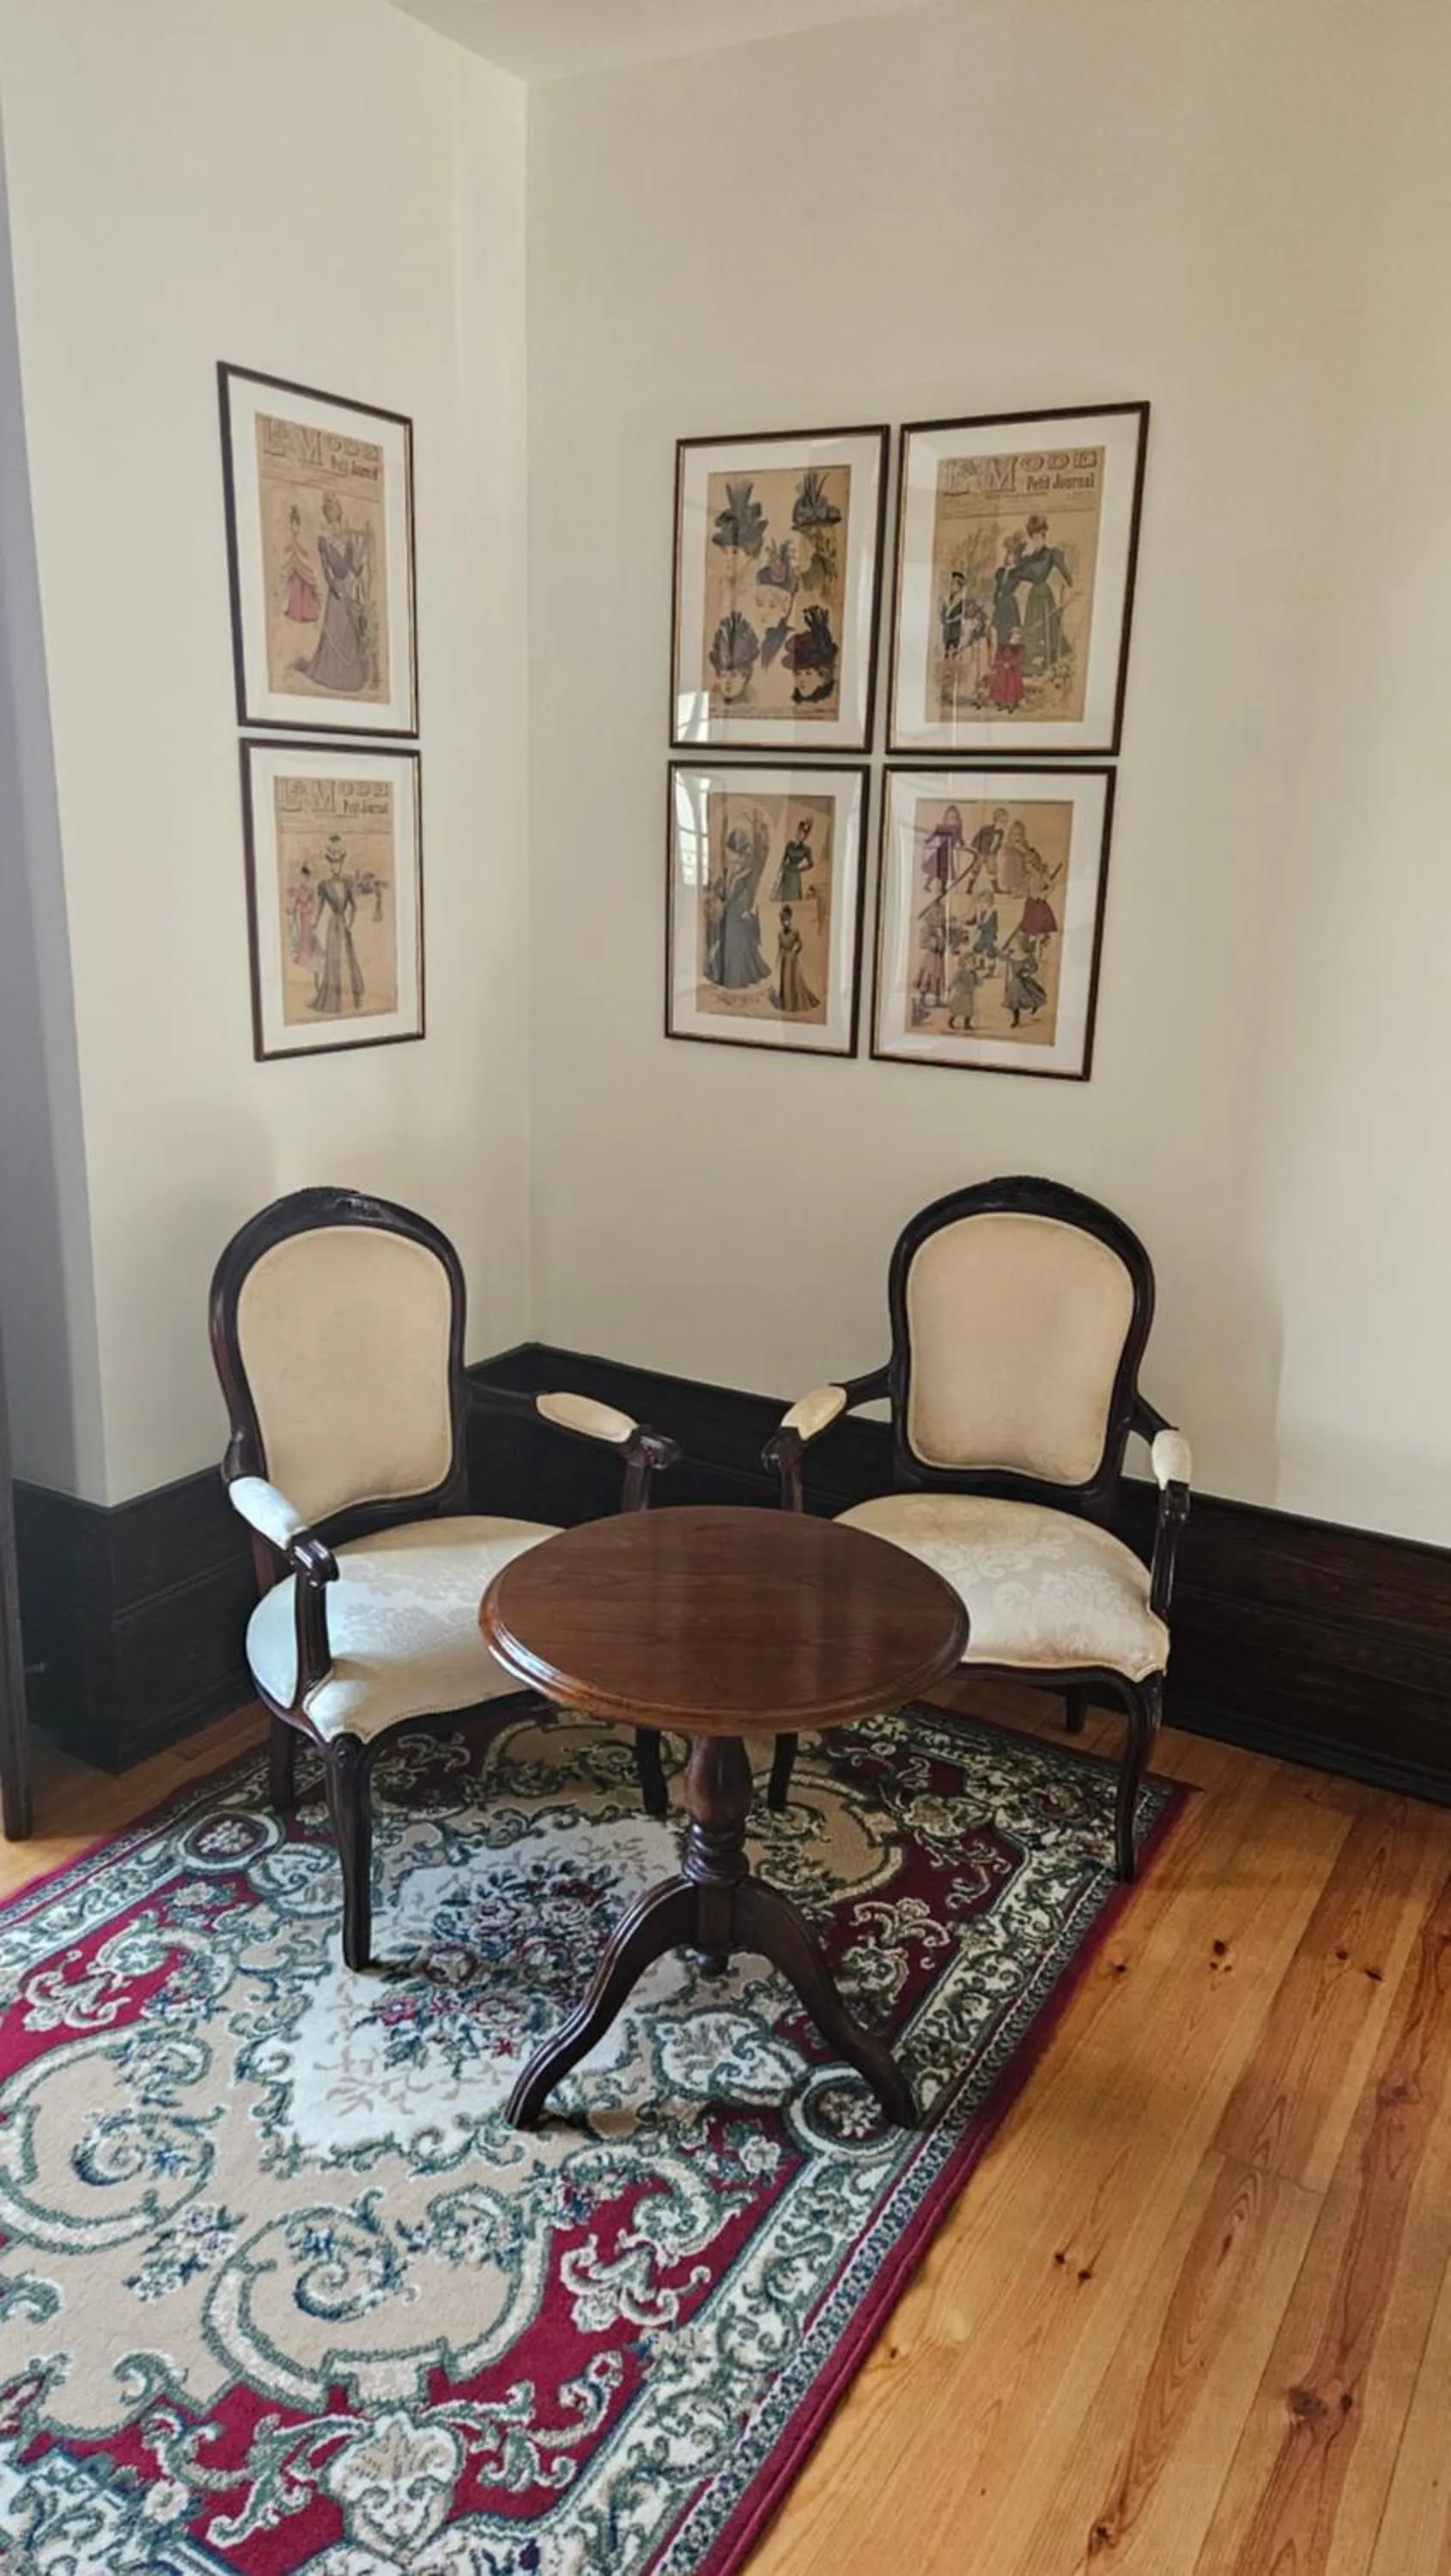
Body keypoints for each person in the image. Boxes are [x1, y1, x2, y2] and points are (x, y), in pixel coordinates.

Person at [296, 492, 371, 695]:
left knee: (349, 633)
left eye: (332, 506)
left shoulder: (348, 538)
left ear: (339, 510)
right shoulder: (323, 540)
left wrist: (360, 558)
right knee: (335, 631)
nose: (329, 510)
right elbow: (326, 570)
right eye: (326, 507)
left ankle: (350, 676)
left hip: (347, 591)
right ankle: (330, 674)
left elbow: (354, 569)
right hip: (336, 594)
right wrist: (336, 587)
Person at [704, 817, 770, 989]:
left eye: (732, 852)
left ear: (739, 853)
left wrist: (738, 907)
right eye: (730, 851)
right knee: (728, 942)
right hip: (731, 910)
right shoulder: (731, 870)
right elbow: (724, 889)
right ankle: (724, 975)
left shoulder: (746, 872)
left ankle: (736, 978)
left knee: (735, 944)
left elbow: (745, 894)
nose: (731, 856)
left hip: (738, 911)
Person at [1014, 513, 1072, 675]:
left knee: (1047, 626)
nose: (1036, 538)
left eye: (1039, 535)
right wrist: (1021, 556)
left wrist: (1070, 582)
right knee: (1032, 626)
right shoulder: (1029, 557)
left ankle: (1050, 657)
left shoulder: (1051, 554)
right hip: (1033, 596)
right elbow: (1020, 574)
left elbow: (1065, 571)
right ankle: (1032, 659)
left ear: (1044, 535)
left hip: (1044, 595)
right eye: (1033, 535)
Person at [313, 836, 366, 1014]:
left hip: (343, 925)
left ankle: (350, 998)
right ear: (330, 865)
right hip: (333, 926)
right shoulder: (325, 885)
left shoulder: (347, 883)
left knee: (347, 958)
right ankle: (333, 998)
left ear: (342, 864)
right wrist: (314, 924)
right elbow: (320, 907)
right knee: (334, 960)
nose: (336, 867)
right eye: (333, 864)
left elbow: (354, 906)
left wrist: (350, 923)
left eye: (338, 864)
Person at [988, 534, 1026, 710]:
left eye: (1013, 554)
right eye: (1008, 553)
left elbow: (1011, 587)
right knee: (999, 648)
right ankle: (999, 694)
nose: (1009, 556)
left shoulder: (1016, 573)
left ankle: (1013, 694)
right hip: (1001, 607)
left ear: (1016, 556)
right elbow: (998, 590)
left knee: (1010, 647)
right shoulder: (1001, 572)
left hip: (1010, 607)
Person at [772, 905, 820, 1014]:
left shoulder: (795, 932)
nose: (786, 922)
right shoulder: (779, 933)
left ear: (790, 919)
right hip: (784, 960)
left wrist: (795, 952)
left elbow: (800, 945)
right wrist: (778, 961)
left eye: (787, 920)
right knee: (785, 981)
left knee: (793, 981)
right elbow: (779, 949)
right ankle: (786, 1004)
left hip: (792, 961)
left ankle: (793, 1004)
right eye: (784, 920)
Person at [279, 504, 319, 624]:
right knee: (296, 589)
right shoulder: (291, 540)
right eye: (292, 525)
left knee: (304, 590)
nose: (293, 527)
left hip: (301, 569)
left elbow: (304, 552)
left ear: (299, 526)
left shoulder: (302, 539)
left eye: (295, 525)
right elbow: (289, 551)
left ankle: (305, 613)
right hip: (294, 570)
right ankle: (295, 612)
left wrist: (299, 553)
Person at [1003, 928, 1048, 1027]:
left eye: (1017, 943)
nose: (1015, 945)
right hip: (1015, 982)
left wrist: (1027, 972)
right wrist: (1005, 954)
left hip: (1024, 981)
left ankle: (1034, 1005)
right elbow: (1002, 957)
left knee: (1031, 996)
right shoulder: (1012, 955)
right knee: (1014, 1002)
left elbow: (1034, 967)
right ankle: (1016, 1020)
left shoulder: (1028, 956)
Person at [920, 803, 965, 896]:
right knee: (934, 870)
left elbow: (960, 838)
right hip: (941, 851)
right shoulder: (942, 828)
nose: (952, 819)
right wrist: (927, 841)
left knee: (945, 872)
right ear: (946, 818)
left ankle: (943, 888)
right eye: (950, 817)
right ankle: (927, 885)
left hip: (948, 852)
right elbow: (934, 835)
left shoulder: (957, 829)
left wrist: (962, 844)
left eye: (954, 817)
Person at [771, 816, 815, 904]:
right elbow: (783, 859)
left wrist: (800, 869)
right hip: (786, 873)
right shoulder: (789, 845)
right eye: (799, 831)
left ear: (806, 836)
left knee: (793, 900)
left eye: (803, 833)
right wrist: (782, 868)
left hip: (795, 875)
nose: (800, 834)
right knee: (783, 899)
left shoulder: (806, 849)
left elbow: (811, 864)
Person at [945, 955, 979, 1030]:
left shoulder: (973, 974)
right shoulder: (960, 973)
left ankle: (967, 1025)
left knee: (969, 1010)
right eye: (971, 964)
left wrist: (977, 980)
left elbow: (977, 982)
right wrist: (950, 987)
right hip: (960, 994)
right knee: (956, 1010)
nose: (973, 965)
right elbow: (953, 980)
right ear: (964, 965)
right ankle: (951, 1021)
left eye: (974, 963)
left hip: (969, 994)